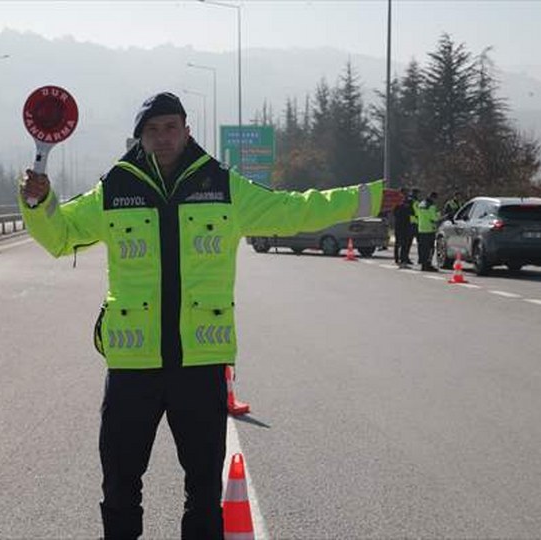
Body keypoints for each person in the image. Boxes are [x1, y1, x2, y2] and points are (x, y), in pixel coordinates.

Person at [19, 92, 384, 540]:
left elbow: (295, 209)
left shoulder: (223, 185)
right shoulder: (115, 188)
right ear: (140, 138)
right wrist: (38, 203)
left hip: (200, 364)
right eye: (153, 130)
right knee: (119, 485)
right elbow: (60, 236)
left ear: (187, 130)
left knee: (204, 488)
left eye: (171, 127)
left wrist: (368, 199)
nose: (163, 137)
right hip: (133, 365)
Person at [415, 191, 440, 271]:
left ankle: (423, 264)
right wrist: (438, 214)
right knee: (430, 249)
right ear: (433, 198)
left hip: (421, 228)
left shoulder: (421, 204)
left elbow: (417, 214)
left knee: (423, 248)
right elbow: (434, 218)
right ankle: (428, 265)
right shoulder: (431, 206)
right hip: (429, 229)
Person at [392, 188, 414, 266]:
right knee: (399, 243)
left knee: (404, 243)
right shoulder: (397, 202)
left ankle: (403, 259)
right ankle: (398, 258)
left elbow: (412, 212)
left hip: (406, 225)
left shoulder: (409, 202)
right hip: (400, 225)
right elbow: (394, 213)